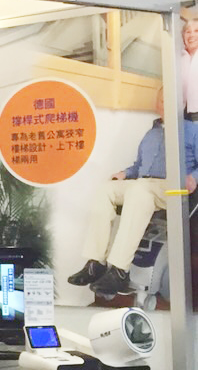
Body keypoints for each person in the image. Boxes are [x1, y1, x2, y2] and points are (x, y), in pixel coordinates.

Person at [68, 89, 198, 297]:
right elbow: (138, 166)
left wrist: (194, 178)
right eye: (161, 100)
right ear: (157, 104)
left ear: (182, 105)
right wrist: (124, 174)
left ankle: (120, 271)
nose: (165, 105)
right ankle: (96, 263)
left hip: (172, 187)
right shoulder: (150, 134)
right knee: (107, 189)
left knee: (138, 191)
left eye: (171, 100)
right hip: (143, 183)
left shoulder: (192, 130)